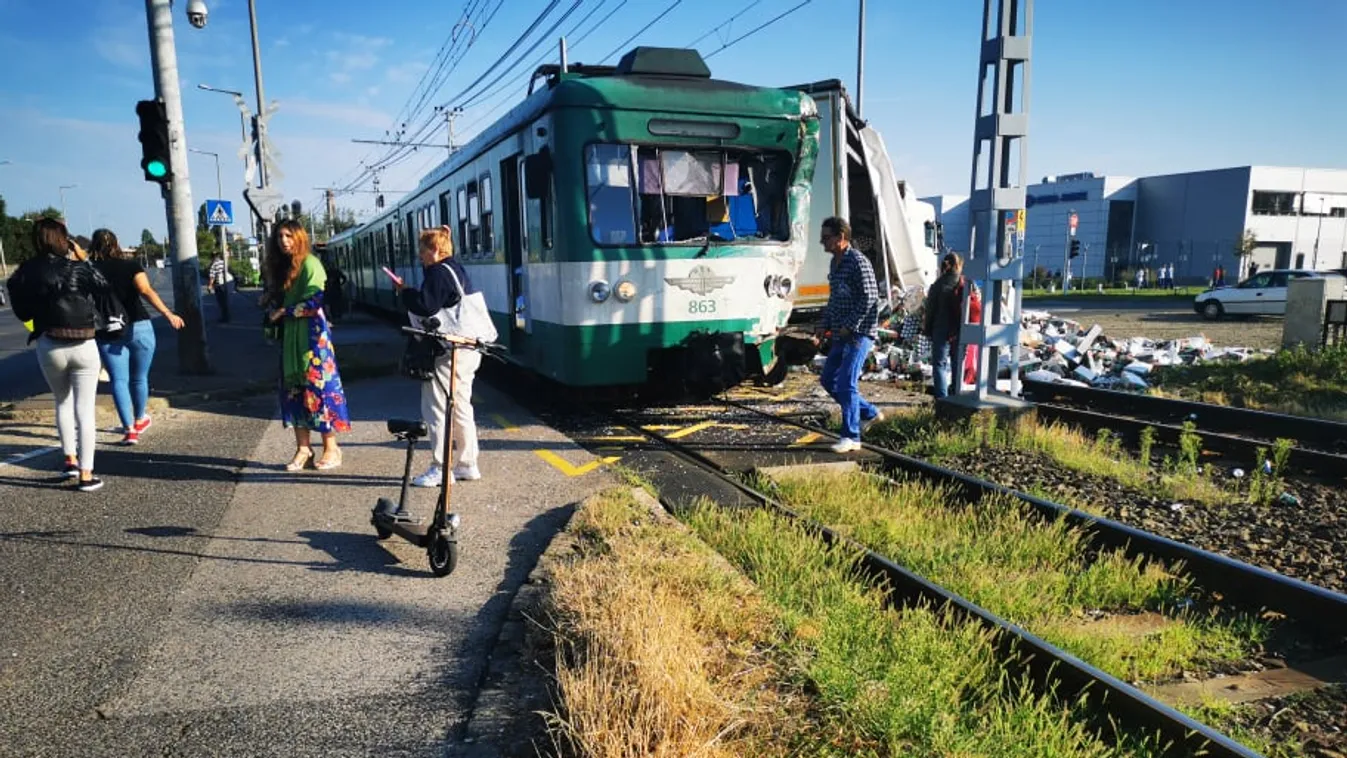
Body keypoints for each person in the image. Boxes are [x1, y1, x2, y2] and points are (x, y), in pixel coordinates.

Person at [4, 219, 110, 491]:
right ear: (64, 239)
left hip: (49, 344)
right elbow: (103, 287)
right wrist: (82, 258)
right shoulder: (76, 267)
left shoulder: (26, 271)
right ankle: (86, 475)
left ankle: (69, 460)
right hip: (84, 344)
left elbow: (23, 311)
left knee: (62, 402)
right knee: (85, 410)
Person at [395, 226, 483, 486]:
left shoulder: (437, 273)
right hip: (468, 347)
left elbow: (425, 305)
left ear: (434, 250)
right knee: (461, 407)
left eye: (422, 252)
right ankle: (468, 464)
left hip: (449, 350)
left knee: (436, 408)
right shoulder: (455, 269)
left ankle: (440, 468)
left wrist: (405, 292)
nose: (420, 257)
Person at [263, 220, 350, 471]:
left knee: (319, 392)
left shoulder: (311, 264)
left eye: (289, 236)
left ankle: (331, 448)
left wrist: (284, 310)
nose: (284, 241)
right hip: (291, 337)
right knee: (294, 392)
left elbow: (316, 301)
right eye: (279, 237)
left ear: (300, 237)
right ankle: (303, 449)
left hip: (313, 339)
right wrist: (269, 298)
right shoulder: (283, 268)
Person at [90, 229, 185, 444]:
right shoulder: (130, 265)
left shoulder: (90, 270)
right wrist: (168, 314)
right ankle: (140, 417)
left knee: (118, 380)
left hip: (108, 329)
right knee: (139, 377)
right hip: (139, 326)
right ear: (117, 243)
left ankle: (129, 430)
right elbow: (145, 290)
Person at [813, 217, 882, 454]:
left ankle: (852, 436)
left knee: (846, 383)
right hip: (841, 332)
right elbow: (834, 300)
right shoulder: (835, 263)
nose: (822, 242)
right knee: (828, 380)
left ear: (841, 237)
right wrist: (824, 326)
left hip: (859, 333)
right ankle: (869, 412)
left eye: (826, 237)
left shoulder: (858, 261)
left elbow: (870, 297)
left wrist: (851, 325)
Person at [923, 252, 964, 401]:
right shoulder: (963, 283)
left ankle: (942, 399)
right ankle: (957, 396)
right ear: (958, 265)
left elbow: (930, 310)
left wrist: (927, 330)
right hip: (960, 329)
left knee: (939, 365)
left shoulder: (937, 285)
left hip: (940, 328)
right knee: (957, 363)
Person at [207, 252, 231, 323]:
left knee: (221, 301)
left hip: (218, 285)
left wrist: (210, 285)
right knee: (225, 300)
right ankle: (227, 316)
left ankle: (225, 317)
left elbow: (212, 276)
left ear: (213, 257)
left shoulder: (214, 264)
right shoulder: (224, 262)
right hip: (226, 283)